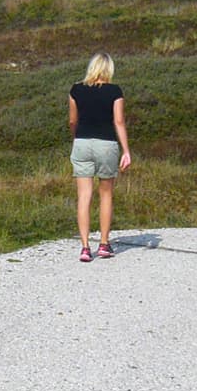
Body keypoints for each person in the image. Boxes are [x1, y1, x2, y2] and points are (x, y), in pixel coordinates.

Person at [68, 52, 132, 261]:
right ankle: (104, 244)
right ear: (109, 69)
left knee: (84, 196)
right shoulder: (114, 91)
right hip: (106, 144)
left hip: (82, 143)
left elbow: (72, 121)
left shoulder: (76, 90)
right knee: (106, 194)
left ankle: (85, 248)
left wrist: (77, 137)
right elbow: (119, 121)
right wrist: (126, 150)